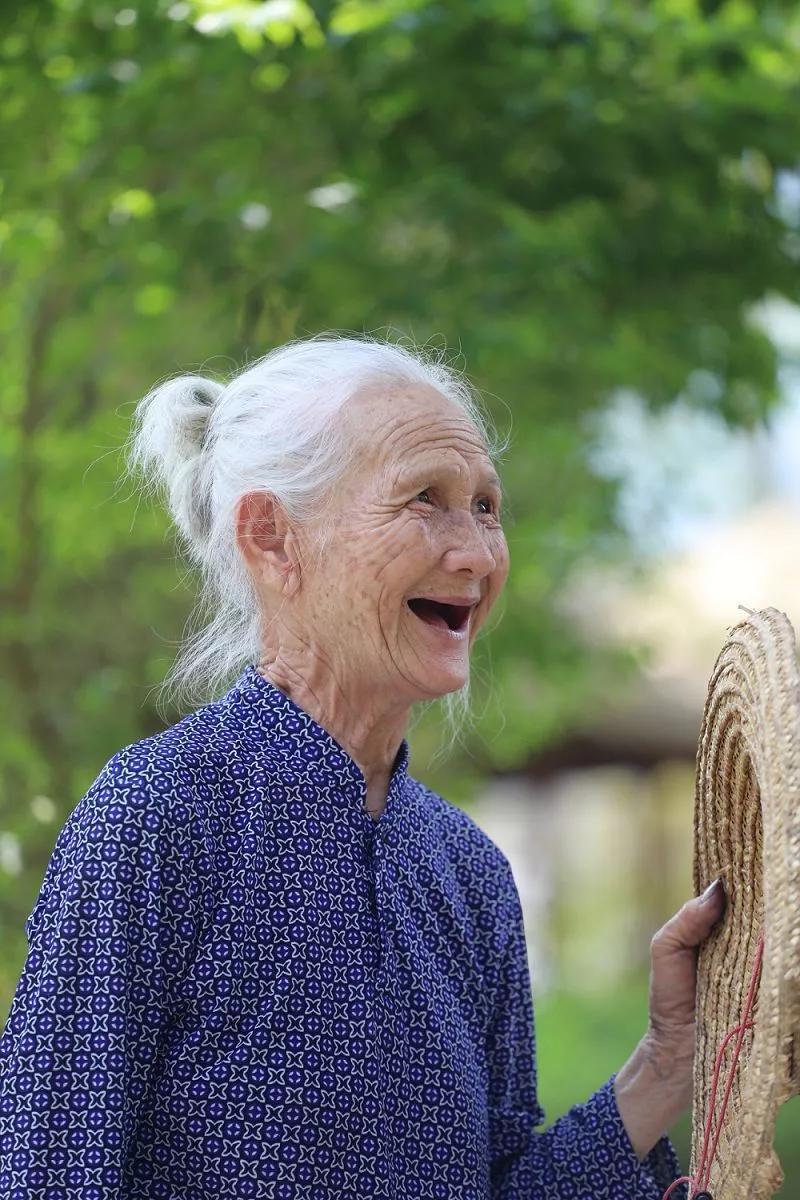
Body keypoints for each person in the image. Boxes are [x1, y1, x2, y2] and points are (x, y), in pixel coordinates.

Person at [0, 334, 724, 1199]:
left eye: (486, 508)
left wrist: (669, 1060)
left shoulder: (469, 873)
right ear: (273, 539)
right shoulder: (156, 816)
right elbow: (46, 1172)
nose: (477, 555)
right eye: (426, 499)